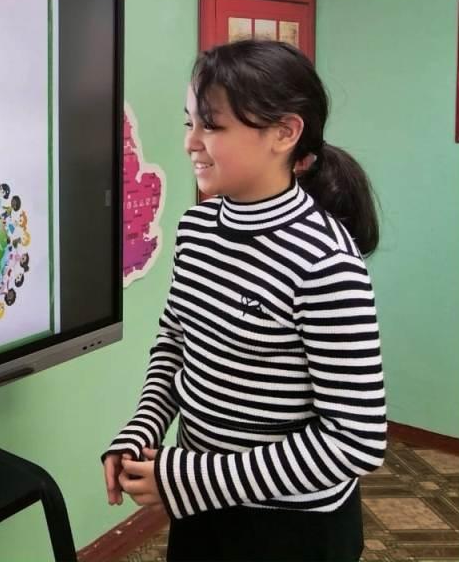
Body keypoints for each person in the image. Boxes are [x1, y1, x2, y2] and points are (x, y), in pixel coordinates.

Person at [102, 40, 386, 562]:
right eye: (189, 122)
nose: (191, 142)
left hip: (292, 528)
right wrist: (144, 427)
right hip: (201, 507)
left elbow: (356, 440)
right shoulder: (196, 229)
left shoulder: (325, 260)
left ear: (285, 132)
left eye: (212, 126)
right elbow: (175, 343)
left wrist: (192, 476)